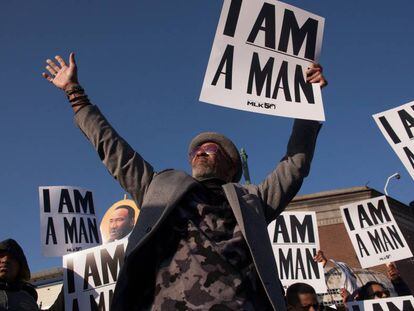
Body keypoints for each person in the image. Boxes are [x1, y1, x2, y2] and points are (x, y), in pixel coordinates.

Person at [42, 52, 327, 311]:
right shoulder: (159, 189)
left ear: (231, 166)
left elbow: (295, 164)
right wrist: (74, 94)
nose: (199, 152)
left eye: (210, 149)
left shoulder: (253, 200)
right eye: (195, 151)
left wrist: (309, 104)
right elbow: (115, 151)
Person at [0, 239, 38, 311]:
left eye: (11, 258)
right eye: (1, 256)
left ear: (20, 267)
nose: (5, 260)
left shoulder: (28, 299)